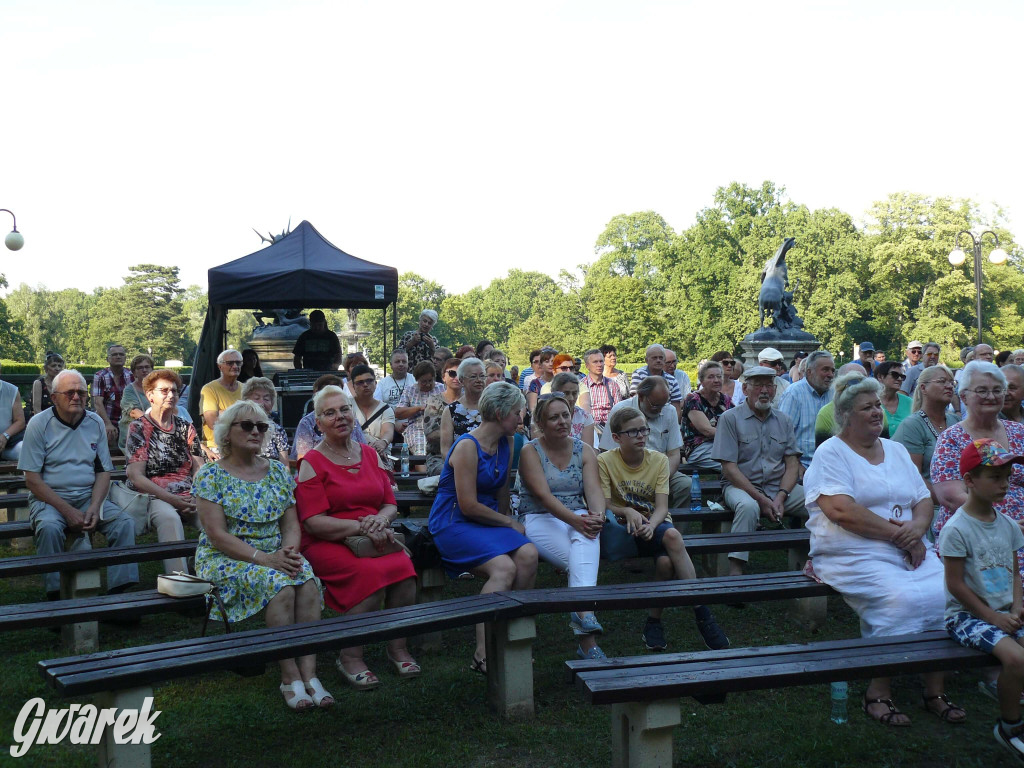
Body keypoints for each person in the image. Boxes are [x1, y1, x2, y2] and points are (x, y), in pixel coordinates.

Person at [803, 372, 965, 726]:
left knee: (945, 593)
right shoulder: (831, 453)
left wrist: (919, 529)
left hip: (911, 545)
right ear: (846, 415)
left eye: (878, 405)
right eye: (867, 408)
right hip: (851, 550)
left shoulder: (895, 450)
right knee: (899, 599)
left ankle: (934, 690)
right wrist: (901, 537)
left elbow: (924, 497)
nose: (878, 412)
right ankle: (878, 692)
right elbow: (840, 511)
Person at [194, 400, 329, 711]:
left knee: (307, 582)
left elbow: (291, 523)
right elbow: (217, 535)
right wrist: (266, 559)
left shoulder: (278, 471)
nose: (256, 431)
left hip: (276, 553)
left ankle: (310, 673)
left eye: (262, 426)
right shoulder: (210, 475)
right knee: (279, 586)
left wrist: (289, 553)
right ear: (227, 433)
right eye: (247, 425)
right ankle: (289, 675)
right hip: (226, 557)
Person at [295, 386, 419, 688]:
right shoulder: (312, 462)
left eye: (344, 409)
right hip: (329, 540)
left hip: (373, 532)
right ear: (318, 423)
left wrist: (379, 521)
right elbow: (312, 523)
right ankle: (350, 655)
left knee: (404, 569)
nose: (339, 417)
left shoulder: (369, 454)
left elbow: (390, 503)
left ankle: (398, 647)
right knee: (369, 575)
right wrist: (364, 527)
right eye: (330, 413)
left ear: (354, 414)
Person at [598, 405, 729, 651]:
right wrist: (627, 510)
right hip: (621, 528)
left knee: (669, 539)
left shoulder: (657, 460)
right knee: (667, 555)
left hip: (654, 525)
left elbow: (661, 507)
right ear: (616, 438)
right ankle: (701, 614)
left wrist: (651, 525)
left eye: (643, 430)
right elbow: (604, 503)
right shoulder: (605, 461)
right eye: (633, 432)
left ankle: (661, 621)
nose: (641, 436)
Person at [428, 382, 538, 673]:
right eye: (518, 413)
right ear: (501, 413)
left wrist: (506, 523)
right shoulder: (467, 446)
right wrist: (509, 522)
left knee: (528, 554)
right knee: (504, 568)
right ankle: (483, 652)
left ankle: (513, 635)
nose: (522, 419)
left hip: (487, 519)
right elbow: (467, 504)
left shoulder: (508, 442)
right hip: (454, 522)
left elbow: (501, 491)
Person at [19, 370, 138, 599]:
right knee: (49, 528)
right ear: (54, 397)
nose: (76, 397)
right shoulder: (39, 424)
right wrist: (68, 511)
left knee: (123, 524)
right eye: (69, 392)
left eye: (81, 393)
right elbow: (32, 480)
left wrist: (94, 507)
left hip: (87, 496)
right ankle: (56, 596)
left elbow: (103, 471)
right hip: (50, 499)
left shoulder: (94, 422)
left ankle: (120, 595)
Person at [940, 438, 1024, 757]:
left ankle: (1006, 693)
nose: (1004, 484)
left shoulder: (1008, 526)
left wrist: (1016, 607)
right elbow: (956, 585)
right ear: (970, 481)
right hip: (966, 617)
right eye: (995, 477)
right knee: (1016, 658)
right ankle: (1010, 727)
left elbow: (1016, 574)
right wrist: (994, 617)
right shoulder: (957, 529)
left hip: (1004, 612)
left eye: (1007, 476)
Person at [518, 393, 607, 659]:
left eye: (565, 415)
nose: (562, 421)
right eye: (553, 417)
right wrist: (579, 522)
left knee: (585, 549)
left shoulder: (585, 449)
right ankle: (587, 632)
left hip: (577, 516)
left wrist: (597, 516)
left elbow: (594, 490)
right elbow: (543, 497)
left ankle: (585, 627)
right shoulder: (530, 451)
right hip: (538, 516)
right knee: (582, 563)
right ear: (541, 424)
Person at [710, 366, 804, 576]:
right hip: (740, 486)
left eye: (769, 385)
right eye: (758, 385)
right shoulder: (730, 419)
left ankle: (817, 559)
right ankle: (736, 574)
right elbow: (729, 469)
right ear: (745, 389)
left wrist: (781, 496)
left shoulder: (784, 420)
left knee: (817, 501)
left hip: (777, 487)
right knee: (748, 507)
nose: (765, 390)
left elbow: (792, 464)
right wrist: (761, 499)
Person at [932, 362, 1024, 566]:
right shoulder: (952, 438)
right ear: (963, 397)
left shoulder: (1019, 432)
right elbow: (951, 496)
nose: (991, 396)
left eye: (997, 390)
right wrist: (1003, 525)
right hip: (977, 532)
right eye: (982, 390)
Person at [124, 369, 203, 574]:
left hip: (188, 493)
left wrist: (195, 494)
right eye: (164, 391)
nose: (171, 395)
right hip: (153, 494)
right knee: (170, 519)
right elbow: (135, 476)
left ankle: (209, 571)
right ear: (150, 395)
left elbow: (199, 467)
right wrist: (171, 499)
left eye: (175, 391)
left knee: (212, 517)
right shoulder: (139, 428)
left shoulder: (187, 428)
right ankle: (179, 581)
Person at [600, 377, 689, 508]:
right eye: (655, 405)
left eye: (662, 405)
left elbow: (674, 454)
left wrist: (660, 479)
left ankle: (673, 523)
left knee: (685, 485)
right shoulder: (620, 410)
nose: (659, 410)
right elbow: (607, 452)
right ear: (641, 396)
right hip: (624, 474)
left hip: (661, 471)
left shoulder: (669, 411)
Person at [891, 365, 959, 501]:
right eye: (941, 381)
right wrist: (950, 500)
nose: (949, 386)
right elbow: (913, 478)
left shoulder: (955, 421)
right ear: (923, 388)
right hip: (932, 504)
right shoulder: (912, 426)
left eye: (952, 383)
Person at [779, 350, 836, 472]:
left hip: (833, 465)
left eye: (832, 370)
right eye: (825, 370)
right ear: (809, 372)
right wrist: (795, 465)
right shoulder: (794, 393)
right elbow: (782, 436)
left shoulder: (835, 394)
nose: (830, 374)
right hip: (804, 466)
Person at [290, 375, 368, 461]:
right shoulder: (306, 423)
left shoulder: (351, 420)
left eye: (338, 393)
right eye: (330, 413)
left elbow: (364, 450)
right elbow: (302, 458)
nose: (340, 416)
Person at [681, 360, 732, 470]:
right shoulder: (693, 399)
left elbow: (739, 420)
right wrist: (734, 435)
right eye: (711, 377)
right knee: (733, 466)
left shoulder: (725, 400)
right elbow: (707, 431)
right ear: (702, 381)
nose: (716, 380)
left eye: (719, 377)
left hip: (723, 445)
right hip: (699, 449)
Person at [200, 349, 244, 459]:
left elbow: (252, 418)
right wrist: (240, 412)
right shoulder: (209, 389)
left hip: (242, 444)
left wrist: (223, 413)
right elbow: (213, 422)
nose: (235, 366)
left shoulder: (245, 389)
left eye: (238, 363)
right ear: (220, 367)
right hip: (217, 447)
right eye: (230, 363)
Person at [440, 358, 487, 460]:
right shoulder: (451, 411)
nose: (479, 380)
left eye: (482, 376)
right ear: (461, 380)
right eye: (473, 377)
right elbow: (445, 450)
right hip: (460, 464)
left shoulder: (492, 407)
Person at [423, 357, 463, 475]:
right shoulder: (434, 402)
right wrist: (460, 430)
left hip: (467, 454)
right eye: (452, 373)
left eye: (460, 374)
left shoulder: (470, 401)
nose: (456, 378)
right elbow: (431, 435)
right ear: (444, 377)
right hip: (438, 457)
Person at [349, 364, 395, 466]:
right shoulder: (346, 406)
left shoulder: (386, 409)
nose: (365, 385)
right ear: (353, 386)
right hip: (354, 454)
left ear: (375, 383)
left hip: (381, 454)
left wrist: (383, 442)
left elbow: (388, 431)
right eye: (360, 382)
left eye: (369, 381)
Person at [395, 360, 444, 455]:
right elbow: (398, 413)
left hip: (439, 426)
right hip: (417, 427)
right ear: (417, 380)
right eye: (424, 382)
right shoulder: (410, 390)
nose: (428, 384)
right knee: (421, 450)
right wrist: (419, 408)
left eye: (430, 380)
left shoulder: (441, 388)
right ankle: (422, 469)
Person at [536, 372, 595, 447]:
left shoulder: (585, 417)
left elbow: (586, 450)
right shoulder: (542, 415)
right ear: (554, 392)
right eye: (566, 393)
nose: (571, 398)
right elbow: (539, 447)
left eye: (574, 393)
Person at [91, 343, 132, 449]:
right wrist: (107, 424)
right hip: (108, 419)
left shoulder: (131, 375)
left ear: (125, 358)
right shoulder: (100, 376)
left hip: (127, 420)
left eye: (121, 354)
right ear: (107, 359)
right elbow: (98, 403)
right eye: (114, 355)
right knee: (108, 441)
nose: (118, 357)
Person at [241, 377, 290, 464]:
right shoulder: (239, 427)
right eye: (256, 398)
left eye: (266, 399)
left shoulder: (278, 429)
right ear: (246, 402)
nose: (261, 403)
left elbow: (285, 465)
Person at [579, 348, 622, 440]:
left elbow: (619, 411)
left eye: (601, 361)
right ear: (587, 366)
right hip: (589, 428)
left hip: (609, 428)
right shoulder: (581, 386)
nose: (599, 365)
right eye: (595, 362)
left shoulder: (612, 385)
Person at [630, 344, 684, 417]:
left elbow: (676, 406)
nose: (658, 360)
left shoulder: (672, 380)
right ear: (646, 360)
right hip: (641, 416)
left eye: (661, 358)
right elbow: (635, 400)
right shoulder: (639, 374)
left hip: (665, 418)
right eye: (654, 358)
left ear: (664, 360)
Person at [117, 354, 154, 455]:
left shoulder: (157, 388)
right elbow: (134, 412)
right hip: (133, 436)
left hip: (153, 434)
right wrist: (158, 426)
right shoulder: (129, 390)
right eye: (140, 368)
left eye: (147, 367)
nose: (144, 370)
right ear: (134, 372)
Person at [876, 361, 913, 434]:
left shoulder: (910, 403)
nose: (899, 379)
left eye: (902, 376)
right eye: (894, 375)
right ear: (880, 377)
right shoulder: (871, 403)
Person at [0, 360, 26, 460]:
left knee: (24, 450)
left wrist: (4, 436)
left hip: (8, 443)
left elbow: (20, 421)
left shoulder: (11, 390)